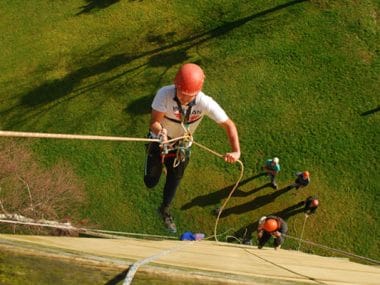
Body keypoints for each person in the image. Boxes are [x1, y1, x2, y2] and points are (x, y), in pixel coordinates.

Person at [144, 63, 241, 233]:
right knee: (150, 182)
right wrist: (161, 133)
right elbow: (154, 123)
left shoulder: (204, 102)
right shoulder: (164, 94)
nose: (184, 99)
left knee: (174, 181)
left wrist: (236, 151)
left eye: (189, 96)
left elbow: (228, 125)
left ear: (197, 92)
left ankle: (164, 209)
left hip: (182, 146)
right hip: (159, 141)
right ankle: (161, 167)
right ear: (175, 85)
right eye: (181, 93)